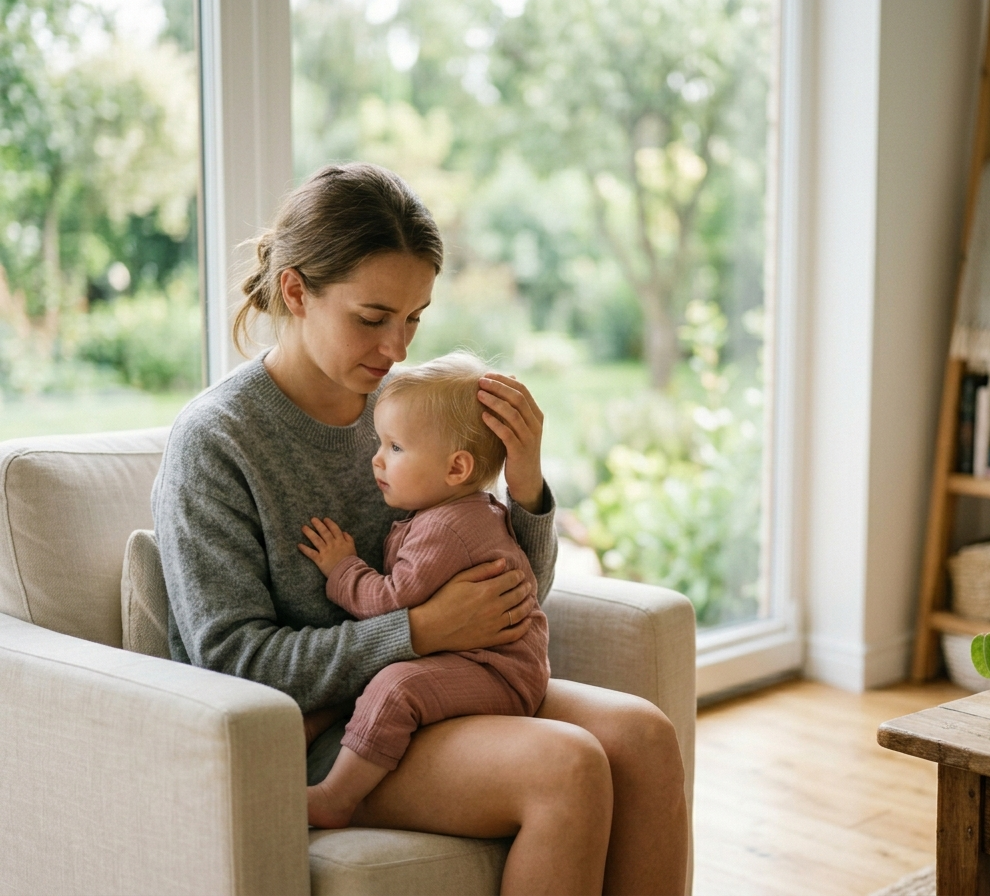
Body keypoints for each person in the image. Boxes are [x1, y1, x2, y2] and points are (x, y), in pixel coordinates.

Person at [151, 161, 688, 894]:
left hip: (438, 687)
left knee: (646, 738)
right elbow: (231, 663)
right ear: (296, 291)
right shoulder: (217, 443)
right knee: (567, 769)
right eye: (372, 318)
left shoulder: (411, 410)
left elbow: (509, 597)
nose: (397, 348)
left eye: (413, 319)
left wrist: (524, 485)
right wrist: (421, 631)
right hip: (320, 733)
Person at [299, 352, 551, 829]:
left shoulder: (446, 529)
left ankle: (337, 796)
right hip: (497, 664)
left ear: (456, 468)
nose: (376, 458)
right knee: (379, 683)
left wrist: (342, 568)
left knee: (397, 687)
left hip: (497, 672)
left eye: (395, 448)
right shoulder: (463, 510)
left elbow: (390, 602)